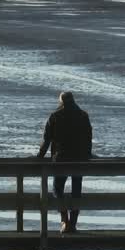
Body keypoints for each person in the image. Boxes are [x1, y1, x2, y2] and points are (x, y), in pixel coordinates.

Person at [37, 91, 93, 233]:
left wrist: (39, 157)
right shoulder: (83, 116)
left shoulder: (55, 116)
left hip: (61, 159)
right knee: (76, 191)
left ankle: (64, 220)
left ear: (61, 102)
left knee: (57, 189)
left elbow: (46, 141)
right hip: (79, 160)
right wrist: (87, 156)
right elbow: (88, 139)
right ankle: (73, 224)